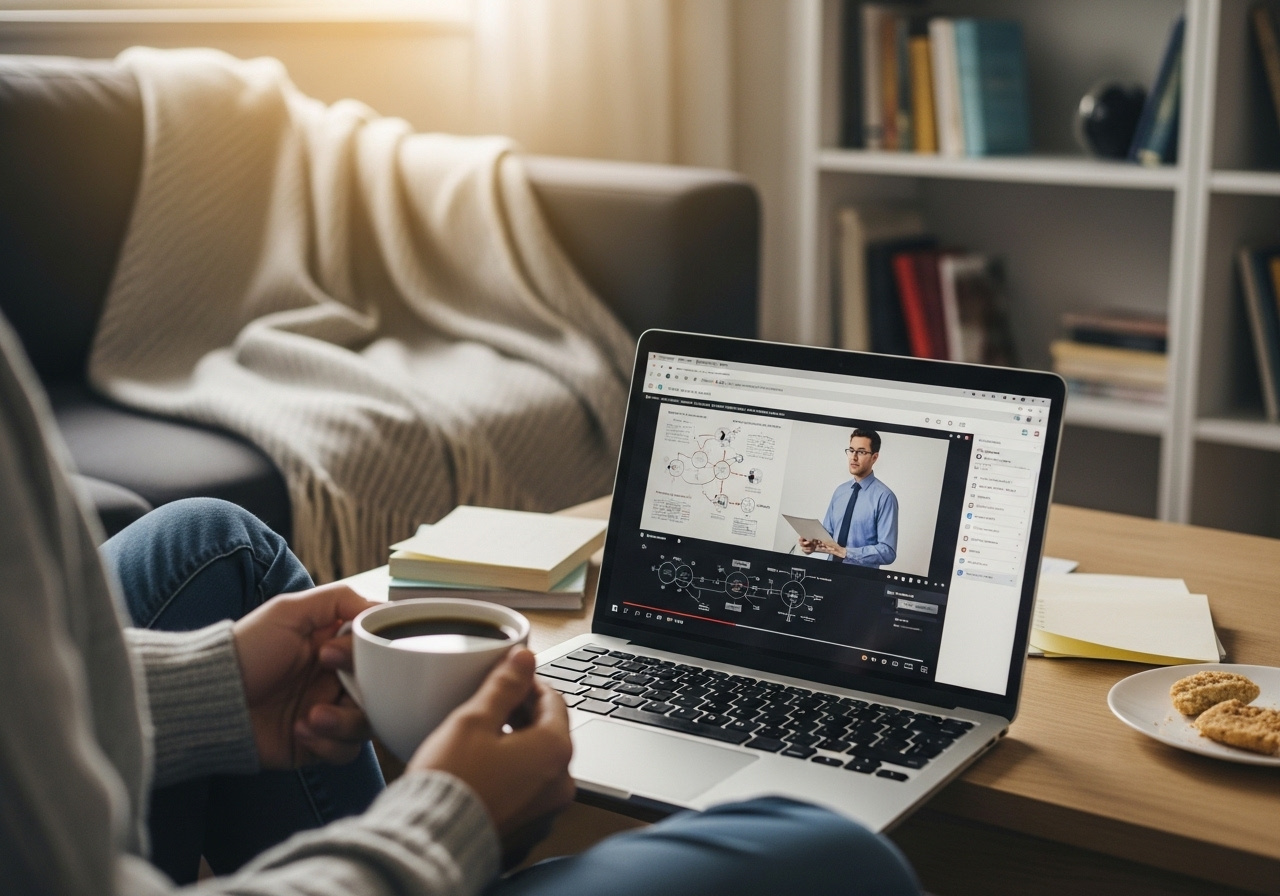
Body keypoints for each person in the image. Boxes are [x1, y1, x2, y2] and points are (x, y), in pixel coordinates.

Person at [0, 316, 920, 896]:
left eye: (861, 454)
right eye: (851, 454)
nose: (854, 463)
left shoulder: (873, 505)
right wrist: (449, 820)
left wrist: (209, 689)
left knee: (212, 542)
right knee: (834, 854)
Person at [800, 428, 899, 568]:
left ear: (874, 457)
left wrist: (846, 553)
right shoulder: (840, 491)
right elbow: (828, 537)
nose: (854, 457)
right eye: (851, 450)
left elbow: (888, 551)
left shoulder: (885, 497)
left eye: (861, 452)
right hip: (829, 573)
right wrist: (812, 545)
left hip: (860, 581)